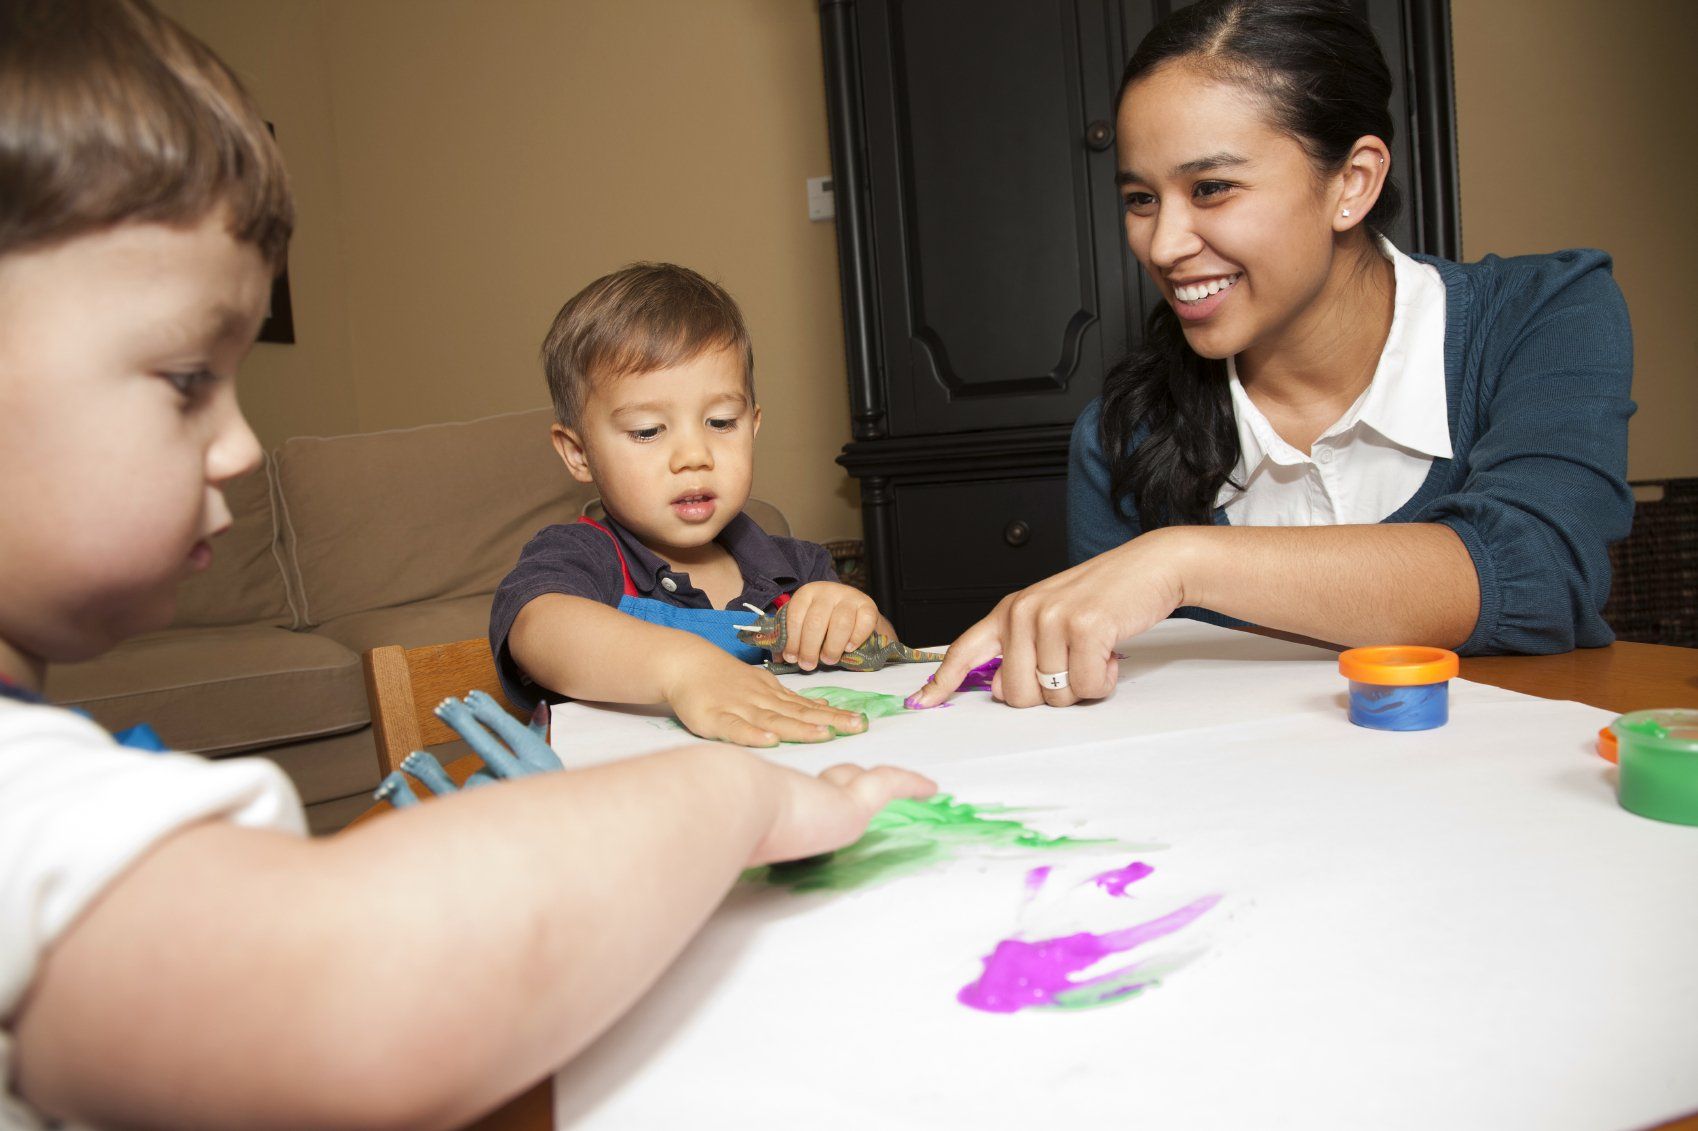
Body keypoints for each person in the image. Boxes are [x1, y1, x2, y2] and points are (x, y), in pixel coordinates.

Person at [0, 3, 934, 1128]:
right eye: (187, 378)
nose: (244, 446)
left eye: (721, 421)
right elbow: (352, 1005)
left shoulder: (778, 545)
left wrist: (848, 609)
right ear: (578, 451)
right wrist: (735, 801)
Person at [912, 0, 1634, 711]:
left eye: (1212, 188)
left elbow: (1541, 575)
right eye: (1140, 198)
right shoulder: (1121, 436)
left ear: (1351, 182)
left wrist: (1179, 560)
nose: (1162, 246)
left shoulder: (1547, 313)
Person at [491, 263, 902, 747]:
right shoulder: (580, 556)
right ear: (579, 453)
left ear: (752, 426)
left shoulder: (799, 568)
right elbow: (537, 630)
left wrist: (856, 620)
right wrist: (683, 669)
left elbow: (886, 661)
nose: (694, 456)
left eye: (721, 422)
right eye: (647, 431)